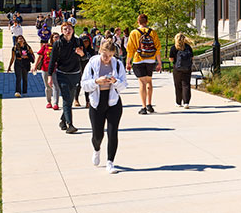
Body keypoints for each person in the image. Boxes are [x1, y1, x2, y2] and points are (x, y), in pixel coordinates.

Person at [81, 40, 129, 173]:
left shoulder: (118, 65)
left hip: (113, 102)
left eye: (109, 55)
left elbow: (124, 85)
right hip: (97, 102)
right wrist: (96, 81)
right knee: (98, 135)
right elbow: (84, 84)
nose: (106, 58)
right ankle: (96, 149)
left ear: (113, 54)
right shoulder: (92, 64)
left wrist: (115, 81)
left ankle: (110, 162)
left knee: (113, 133)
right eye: (104, 54)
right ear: (99, 51)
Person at [48, 22, 86, 133]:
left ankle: (62, 121)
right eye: (65, 29)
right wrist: (50, 75)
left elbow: (85, 58)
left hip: (75, 74)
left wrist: (82, 54)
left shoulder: (78, 42)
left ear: (73, 30)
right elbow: (52, 60)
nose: (67, 31)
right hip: (62, 74)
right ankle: (70, 125)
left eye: (69, 29)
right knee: (66, 98)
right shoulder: (58, 43)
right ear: (62, 31)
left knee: (69, 100)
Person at [125, 14, 163, 114]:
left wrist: (128, 62)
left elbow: (130, 49)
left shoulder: (134, 33)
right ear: (147, 22)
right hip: (150, 59)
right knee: (149, 81)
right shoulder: (153, 32)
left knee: (142, 82)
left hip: (139, 59)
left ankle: (144, 107)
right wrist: (159, 62)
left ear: (138, 22)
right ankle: (150, 104)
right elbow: (158, 48)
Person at [34, 33, 60, 108]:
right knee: (48, 86)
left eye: (58, 37)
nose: (57, 38)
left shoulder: (60, 47)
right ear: (52, 38)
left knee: (56, 86)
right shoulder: (46, 46)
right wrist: (35, 66)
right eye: (55, 37)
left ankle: (56, 103)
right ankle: (49, 102)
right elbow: (40, 56)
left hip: (56, 69)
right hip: (45, 68)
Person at [169, 32, 195, 109]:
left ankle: (178, 102)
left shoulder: (174, 48)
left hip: (177, 69)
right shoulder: (188, 47)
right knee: (186, 85)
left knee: (178, 86)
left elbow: (171, 59)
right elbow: (192, 57)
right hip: (187, 68)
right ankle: (186, 102)